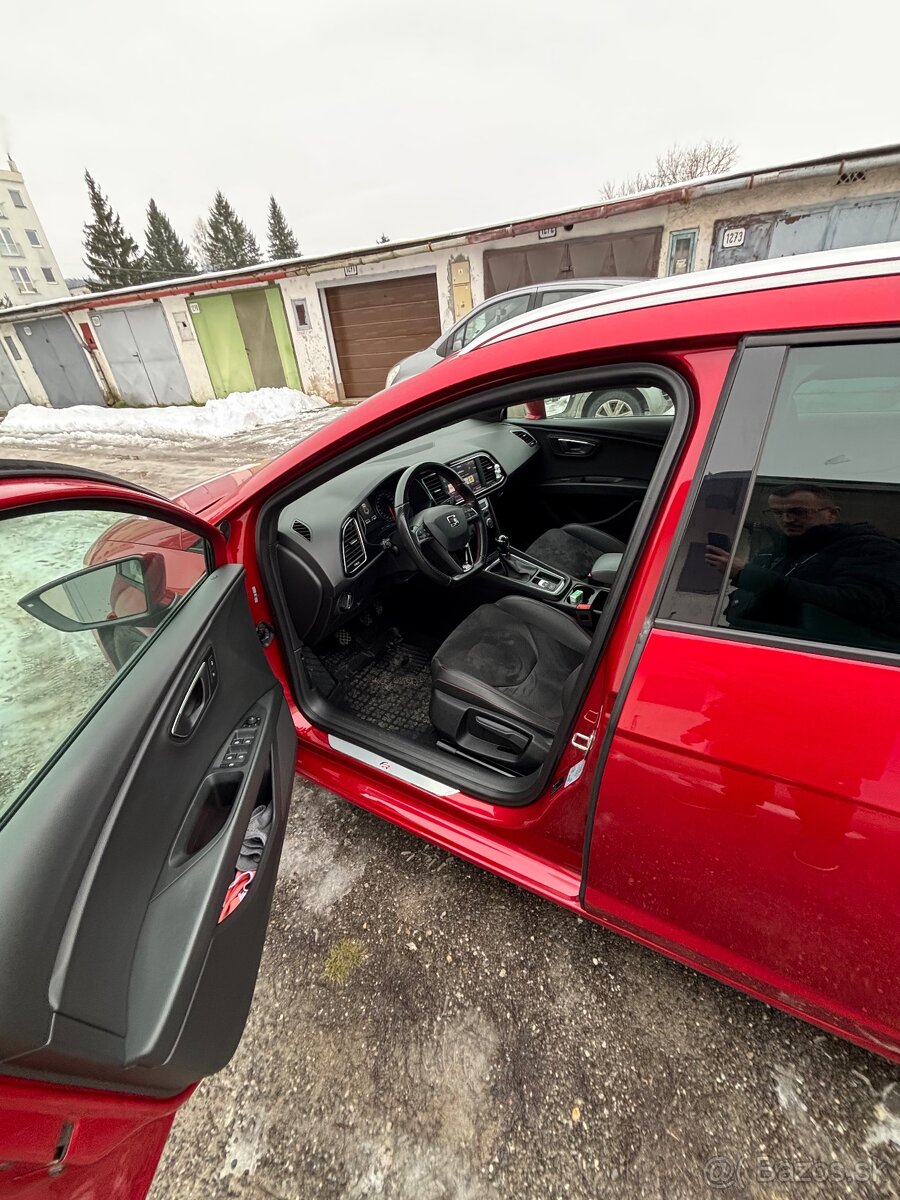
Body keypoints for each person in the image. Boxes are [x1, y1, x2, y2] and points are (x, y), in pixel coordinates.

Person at [705, 482, 900, 643]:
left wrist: (747, 575)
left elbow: (858, 604)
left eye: (798, 512)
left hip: (827, 654)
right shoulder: (775, 552)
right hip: (756, 643)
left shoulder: (868, 547)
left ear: (832, 513)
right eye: (777, 513)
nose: (787, 519)